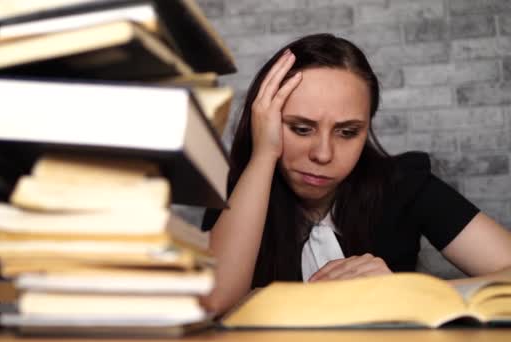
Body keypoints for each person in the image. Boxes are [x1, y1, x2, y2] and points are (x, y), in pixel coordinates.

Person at [200, 33, 511, 315]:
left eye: (348, 132)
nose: (323, 154)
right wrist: (264, 154)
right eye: (301, 128)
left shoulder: (404, 183)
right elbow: (215, 302)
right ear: (263, 121)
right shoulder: (241, 192)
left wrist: (405, 291)